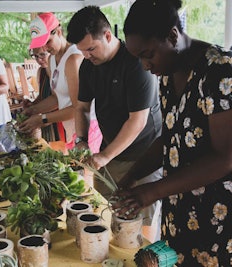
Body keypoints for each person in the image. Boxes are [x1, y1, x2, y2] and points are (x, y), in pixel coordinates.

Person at [111, 0, 232, 266]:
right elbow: (170, 137)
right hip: (199, 213)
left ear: (173, 35)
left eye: (148, 54)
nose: (145, 65)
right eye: (139, 57)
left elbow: (228, 156)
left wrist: (152, 192)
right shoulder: (167, 74)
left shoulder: (221, 69)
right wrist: (133, 176)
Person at [66, 6, 163, 242]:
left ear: (108, 36)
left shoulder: (135, 62)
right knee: (105, 217)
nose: (87, 55)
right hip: (111, 155)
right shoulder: (88, 66)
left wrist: (103, 157)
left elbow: (137, 121)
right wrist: (81, 140)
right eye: (82, 51)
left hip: (143, 158)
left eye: (91, 49)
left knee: (138, 231)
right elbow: (82, 107)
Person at [19, 12, 102, 152]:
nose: (44, 48)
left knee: (82, 171)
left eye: (47, 42)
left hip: (85, 127)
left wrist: (42, 119)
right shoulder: (51, 60)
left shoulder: (73, 58)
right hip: (69, 127)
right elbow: (57, 97)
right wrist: (34, 109)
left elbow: (78, 108)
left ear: (58, 32)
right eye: (41, 44)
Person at [23, 48, 62, 141]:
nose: (39, 60)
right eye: (36, 56)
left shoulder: (59, 70)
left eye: (42, 55)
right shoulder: (41, 71)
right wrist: (33, 104)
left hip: (59, 117)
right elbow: (42, 95)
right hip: (44, 118)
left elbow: (59, 99)